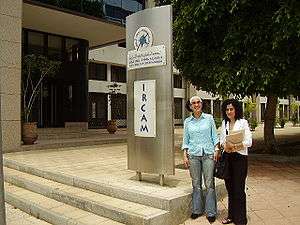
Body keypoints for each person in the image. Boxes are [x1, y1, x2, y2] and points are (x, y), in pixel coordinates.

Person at [182, 96, 220, 223]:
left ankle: (211, 212)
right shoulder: (187, 121)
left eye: (198, 102)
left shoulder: (209, 118)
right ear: (190, 106)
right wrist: (184, 155)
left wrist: (216, 149)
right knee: (196, 184)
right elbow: (185, 140)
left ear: (202, 104)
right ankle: (197, 210)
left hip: (208, 154)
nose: (196, 105)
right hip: (193, 155)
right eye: (193, 103)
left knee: (209, 183)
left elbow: (214, 135)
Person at [220, 99, 252, 225]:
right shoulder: (224, 123)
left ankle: (241, 220)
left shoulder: (243, 122)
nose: (229, 111)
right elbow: (222, 140)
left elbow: (249, 142)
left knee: (239, 189)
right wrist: (224, 145)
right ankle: (231, 216)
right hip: (228, 158)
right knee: (230, 188)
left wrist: (236, 146)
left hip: (240, 158)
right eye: (227, 109)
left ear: (236, 110)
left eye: (231, 109)